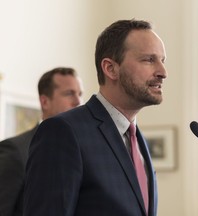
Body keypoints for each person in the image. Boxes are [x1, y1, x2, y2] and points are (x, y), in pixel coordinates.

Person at [23, 19, 167, 216]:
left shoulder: (135, 138)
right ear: (110, 68)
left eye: (162, 60)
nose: (163, 72)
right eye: (149, 60)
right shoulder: (63, 132)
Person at [0, 67, 83, 216]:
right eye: (69, 94)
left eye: (80, 94)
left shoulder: (85, 149)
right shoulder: (15, 151)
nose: (78, 101)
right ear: (45, 101)